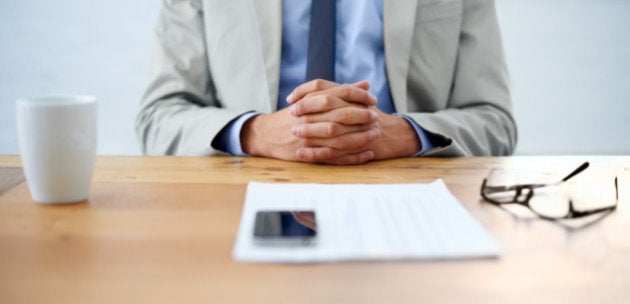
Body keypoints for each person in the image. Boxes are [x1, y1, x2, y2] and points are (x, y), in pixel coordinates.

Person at [136, 0, 517, 165]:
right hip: (240, 206)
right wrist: (256, 133)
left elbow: (494, 121)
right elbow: (158, 118)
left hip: (410, 200)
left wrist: (402, 134)